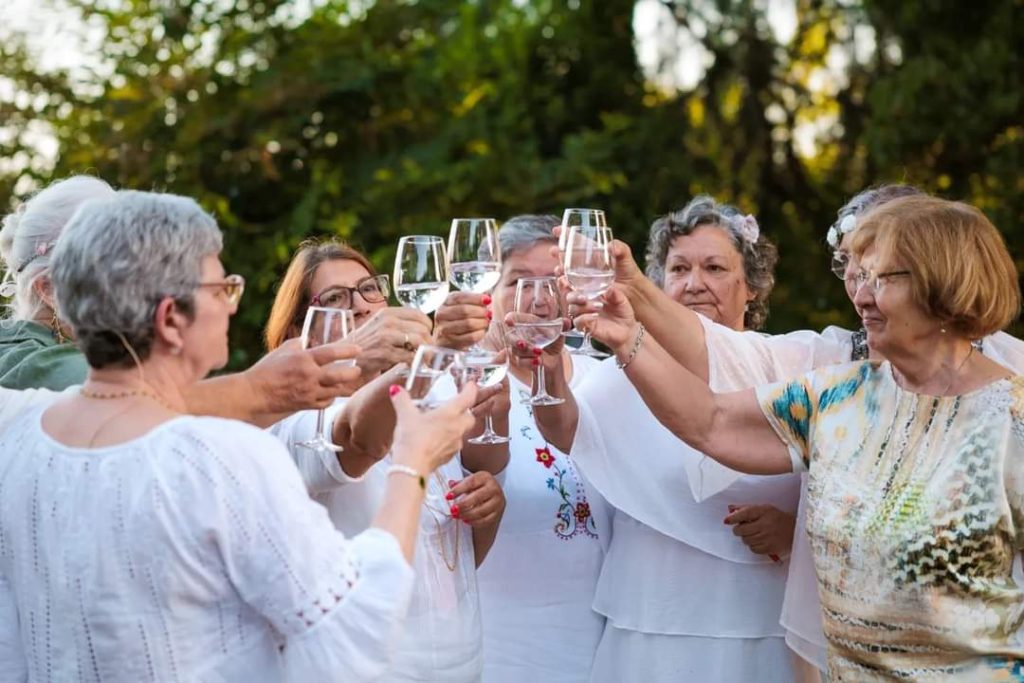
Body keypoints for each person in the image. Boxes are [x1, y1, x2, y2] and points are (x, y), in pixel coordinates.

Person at [0, 189, 481, 682]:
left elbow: (10, 651)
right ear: (171, 319)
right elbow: (354, 633)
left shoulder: (18, 446)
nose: (232, 307)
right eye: (222, 289)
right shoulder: (221, 457)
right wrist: (412, 463)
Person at [576, 195, 1024, 680]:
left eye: (881, 279)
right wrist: (628, 339)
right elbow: (710, 421)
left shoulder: (1013, 418)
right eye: (859, 276)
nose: (860, 296)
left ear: (945, 284)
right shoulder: (837, 396)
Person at [533, 198, 804, 681]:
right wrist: (547, 368)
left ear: (752, 286)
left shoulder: (789, 372)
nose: (694, 283)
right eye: (679, 268)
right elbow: (564, 429)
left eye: (714, 268)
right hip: (648, 619)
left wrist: (792, 531)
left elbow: (844, 493)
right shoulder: (626, 369)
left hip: (761, 619)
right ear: (657, 285)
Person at [266, 237, 506, 682]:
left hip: (462, 666)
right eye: (335, 298)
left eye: (368, 289)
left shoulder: (438, 394)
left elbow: (455, 556)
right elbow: (358, 438)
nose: (360, 306)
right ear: (303, 330)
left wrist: (488, 510)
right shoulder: (298, 419)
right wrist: (436, 350)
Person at [0, 175, 366, 428]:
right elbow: (129, 408)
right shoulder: (27, 361)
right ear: (49, 289)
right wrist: (261, 389)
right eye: (118, 264)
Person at [433, 215, 611, 683]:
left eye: (551, 282)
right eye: (518, 282)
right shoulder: (460, 390)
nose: (537, 298)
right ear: (487, 292)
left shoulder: (606, 382)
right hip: (504, 653)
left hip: (605, 649)